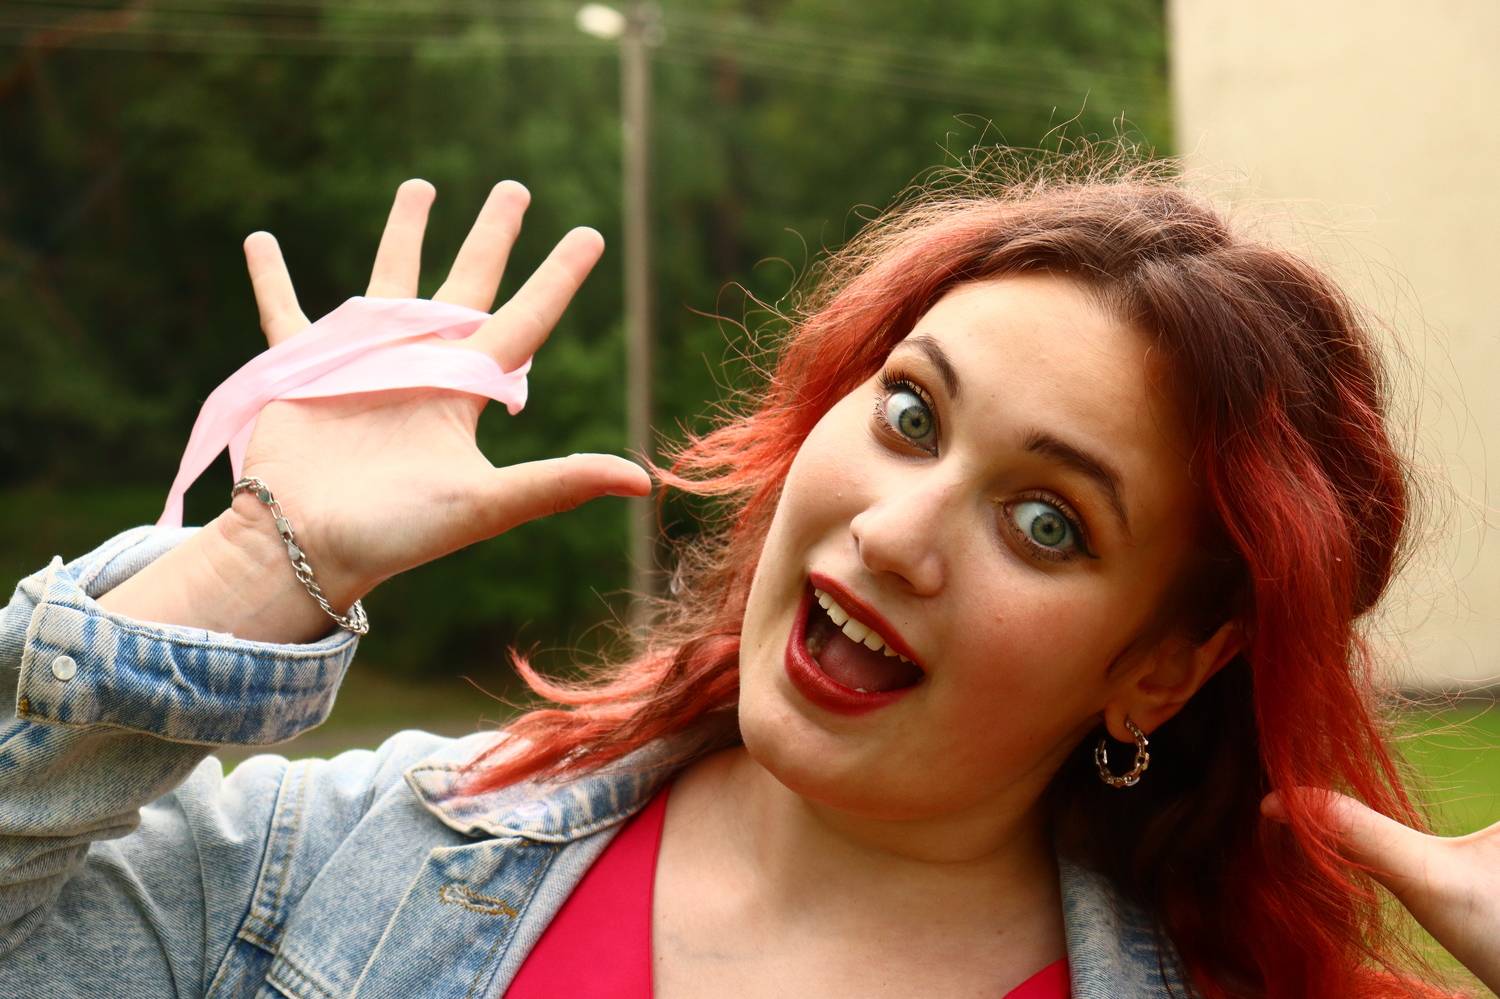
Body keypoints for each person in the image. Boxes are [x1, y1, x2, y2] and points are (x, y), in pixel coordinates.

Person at [1, 154, 1496, 998]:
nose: (897, 531)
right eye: (911, 415)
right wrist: (259, 561)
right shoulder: (337, 869)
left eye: (1050, 523)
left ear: (1162, 664)